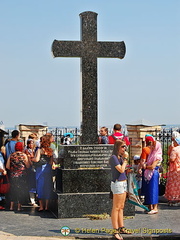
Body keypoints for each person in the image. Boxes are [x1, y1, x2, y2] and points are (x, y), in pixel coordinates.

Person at [109, 140, 131, 240]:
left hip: (123, 182)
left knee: (121, 207)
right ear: (118, 147)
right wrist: (125, 159)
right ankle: (115, 230)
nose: (124, 149)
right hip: (117, 183)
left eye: (125, 147)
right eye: (122, 147)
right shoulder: (113, 158)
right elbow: (120, 169)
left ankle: (121, 227)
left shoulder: (120, 158)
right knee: (116, 207)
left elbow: (123, 170)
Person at [6, 142, 30, 211]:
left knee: (13, 190)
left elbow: (7, 166)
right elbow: (28, 166)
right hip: (22, 175)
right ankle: (19, 207)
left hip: (13, 175)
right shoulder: (24, 155)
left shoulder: (11, 155)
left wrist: (14, 170)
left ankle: (11, 206)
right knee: (21, 190)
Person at [32, 135, 53, 211]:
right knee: (47, 187)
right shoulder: (50, 151)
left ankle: (41, 206)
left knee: (40, 187)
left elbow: (37, 159)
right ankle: (47, 206)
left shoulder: (40, 150)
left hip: (40, 170)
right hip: (48, 169)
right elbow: (51, 162)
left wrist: (32, 158)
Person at [142, 140, 162, 214]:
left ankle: (155, 207)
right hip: (149, 173)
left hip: (153, 173)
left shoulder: (157, 155)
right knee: (149, 190)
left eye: (153, 145)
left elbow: (153, 166)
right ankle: (150, 206)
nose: (152, 147)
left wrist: (146, 166)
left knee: (153, 189)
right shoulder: (151, 154)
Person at [165, 137, 180, 206]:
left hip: (174, 169)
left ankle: (174, 199)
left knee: (173, 185)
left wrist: (168, 162)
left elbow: (172, 159)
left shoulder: (174, 149)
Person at [24, 139, 37, 207]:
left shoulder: (35, 150)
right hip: (30, 169)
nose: (31, 145)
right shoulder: (27, 151)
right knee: (31, 184)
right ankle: (32, 199)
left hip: (34, 168)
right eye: (30, 143)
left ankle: (35, 198)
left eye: (32, 143)